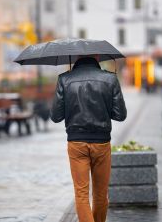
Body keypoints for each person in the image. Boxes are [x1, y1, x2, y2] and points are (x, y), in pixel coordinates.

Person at [50, 55, 127, 222]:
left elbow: (55, 116)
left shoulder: (65, 79)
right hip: (102, 142)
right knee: (100, 194)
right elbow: (120, 115)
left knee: (81, 193)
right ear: (97, 57)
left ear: (76, 57)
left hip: (76, 142)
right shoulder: (110, 79)